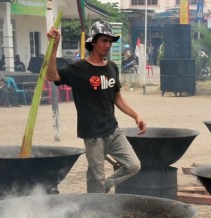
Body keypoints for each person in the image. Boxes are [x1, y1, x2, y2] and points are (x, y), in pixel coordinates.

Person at [45, 21, 145, 193]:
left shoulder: (112, 67)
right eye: (104, 41)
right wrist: (54, 46)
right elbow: (51, 75)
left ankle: (104, 187)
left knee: (133, 165)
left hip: (113, 130)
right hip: (92, 135)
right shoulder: (79, 69)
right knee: (96, 177)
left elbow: (117, 97)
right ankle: (95, 210)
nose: (108, 45)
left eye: (110, 41)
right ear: (93, 42)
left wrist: (136, 115)